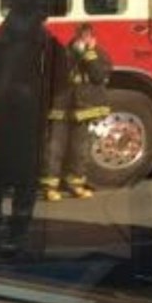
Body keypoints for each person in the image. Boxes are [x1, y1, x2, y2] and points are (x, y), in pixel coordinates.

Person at [0, 3, 67, 258]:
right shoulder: (0, 45)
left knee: (23, 181)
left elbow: (61, 81)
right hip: (0, 120)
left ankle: (17, 234)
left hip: (27, 123)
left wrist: (34, 102)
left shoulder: (49, 48)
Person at [41, 23, 112, 201]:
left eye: (87, 35)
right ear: (77, 35)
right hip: (61, 108)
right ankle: (50, 186)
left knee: (80, 149)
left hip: (84, 109)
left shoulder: (100, 54)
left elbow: (98, 76)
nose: (85, 38)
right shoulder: (64, 54)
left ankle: (76, 184)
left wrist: (88, 55)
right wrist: (76, 53)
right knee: (54, 149)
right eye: (82, 35)